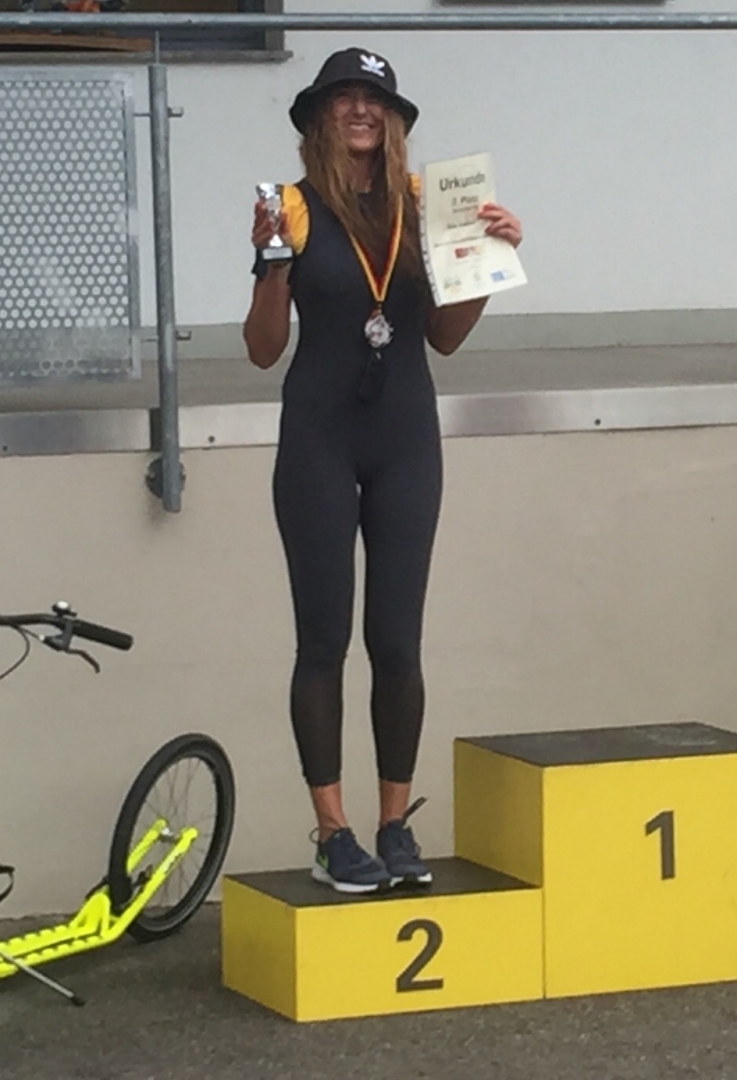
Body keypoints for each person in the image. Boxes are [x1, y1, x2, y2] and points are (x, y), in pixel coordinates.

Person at [244, 47, 522, 894]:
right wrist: (272, 264)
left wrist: (487, 262)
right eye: (343, 97)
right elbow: (262, 350)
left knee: (397, 641)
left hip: (405, 438)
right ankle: (332, 833)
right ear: (318, 118)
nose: (360, 109)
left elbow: (444, 337)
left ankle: (394, 825)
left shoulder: (426, 205)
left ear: (394, 120)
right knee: (323, 640)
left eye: (375, 98)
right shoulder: (290, 207)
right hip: (318, 440)